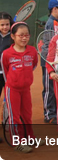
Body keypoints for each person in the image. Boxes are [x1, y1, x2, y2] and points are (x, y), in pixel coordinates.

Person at [1, 22, 46, 153]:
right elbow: (5, 71)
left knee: (27, 115)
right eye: (20, 35)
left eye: (26, 35)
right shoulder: (6, 54)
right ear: (13, 37)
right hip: (12, 89)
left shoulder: (32, 51)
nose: (24, 38)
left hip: (26, 89)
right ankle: (17, 142)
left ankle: (30, 138)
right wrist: (11, 85)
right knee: (14, 116)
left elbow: (33, 66)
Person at [0, 12, 14, 144]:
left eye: (7, 24)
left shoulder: (13, 37)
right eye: (2, 25)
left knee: (8, 100)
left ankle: (9, 126)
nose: (5, 27)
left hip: (9, 74)